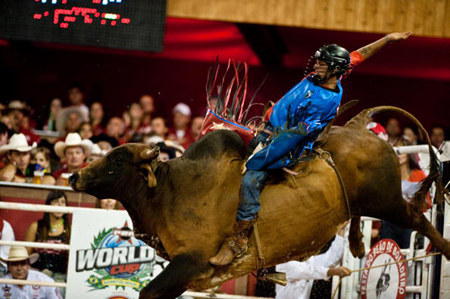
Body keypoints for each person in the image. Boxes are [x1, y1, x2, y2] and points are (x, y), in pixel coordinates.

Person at [209, 32, 412, 266]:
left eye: (321, 63)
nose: (315, 65)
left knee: (250, 179)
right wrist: (386, 40)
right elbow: (357, 56)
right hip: (273, 130)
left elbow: (292, 137)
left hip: (288, 145)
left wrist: (258, 158)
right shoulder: (329, 75)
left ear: (334, 69)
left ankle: (240, 240)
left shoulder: (323, 102)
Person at [275, 223, 351, 299]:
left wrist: (341, 230)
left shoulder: (308, 261)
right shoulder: (283, 263)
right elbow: (307, 271)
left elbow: (331, 258)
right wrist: (332, 271)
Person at [380, 137, 430, 248]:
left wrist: (417, 199)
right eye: (397, 150)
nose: (399, 154)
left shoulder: (420, 175)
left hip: (411, 221)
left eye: (402, 150)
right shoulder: (387, 176)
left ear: (408, 153)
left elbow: (427, 205)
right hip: (390, 222)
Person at [24, 191, 70, 290]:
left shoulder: (69, 229)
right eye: (56, 202)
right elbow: (26, 255)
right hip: (38, 272)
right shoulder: (36, 226)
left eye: (63, 202)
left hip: (59, 275)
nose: (60, 205)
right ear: (48, 205)